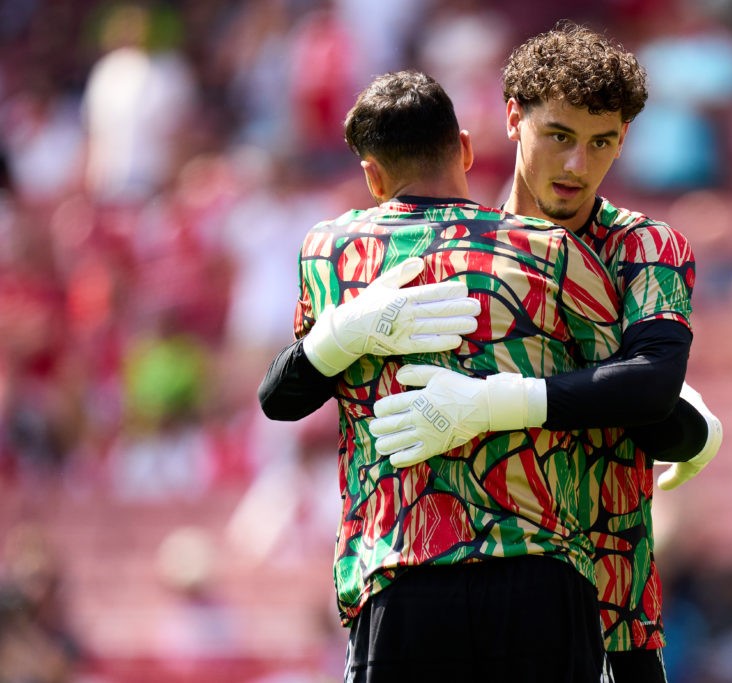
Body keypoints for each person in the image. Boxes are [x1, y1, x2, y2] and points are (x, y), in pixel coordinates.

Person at [368, 22, 723, 683]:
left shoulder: (644, 247)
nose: (576, 166)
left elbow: (648, 383)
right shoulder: (448, 252)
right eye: (559, 136)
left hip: (612, 609)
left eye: (601, 143)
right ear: (512, 118)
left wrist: (490, 400)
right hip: (451, 589)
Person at [260, 69, 624, 682]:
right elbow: (626, 388)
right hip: (540, 574)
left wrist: (343, 333)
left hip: (401, 571)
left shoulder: (332, 252)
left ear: (372, 175)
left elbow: (283, 398)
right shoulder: (550, 249)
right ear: (463, 147)